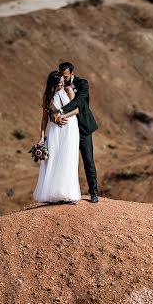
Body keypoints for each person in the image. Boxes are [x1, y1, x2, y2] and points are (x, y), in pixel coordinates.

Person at [54, 61, 99, 203]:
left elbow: (79, 101)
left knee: (88, 160)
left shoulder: (83, 83)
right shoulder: (58, 85)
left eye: (66, 77)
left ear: (72, 74)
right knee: (66, 160)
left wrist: (61, 111)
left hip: (83, 127)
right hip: (66, 129)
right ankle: (66, 193)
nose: (63, 79)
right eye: (62, 76)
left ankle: (93, 193)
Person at [33, 71, 81, 204]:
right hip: (54, 131)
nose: (61, 83)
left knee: (68, 158)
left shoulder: (68, 89)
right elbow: (44, 118)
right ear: (52, 83)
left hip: (70, 128)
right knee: (53, 159)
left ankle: (69, 194)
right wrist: (42, 137)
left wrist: (60, 116)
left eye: (62, 81)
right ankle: (53, 194)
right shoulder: (47, 96)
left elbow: (76, 109)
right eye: (58, 82)